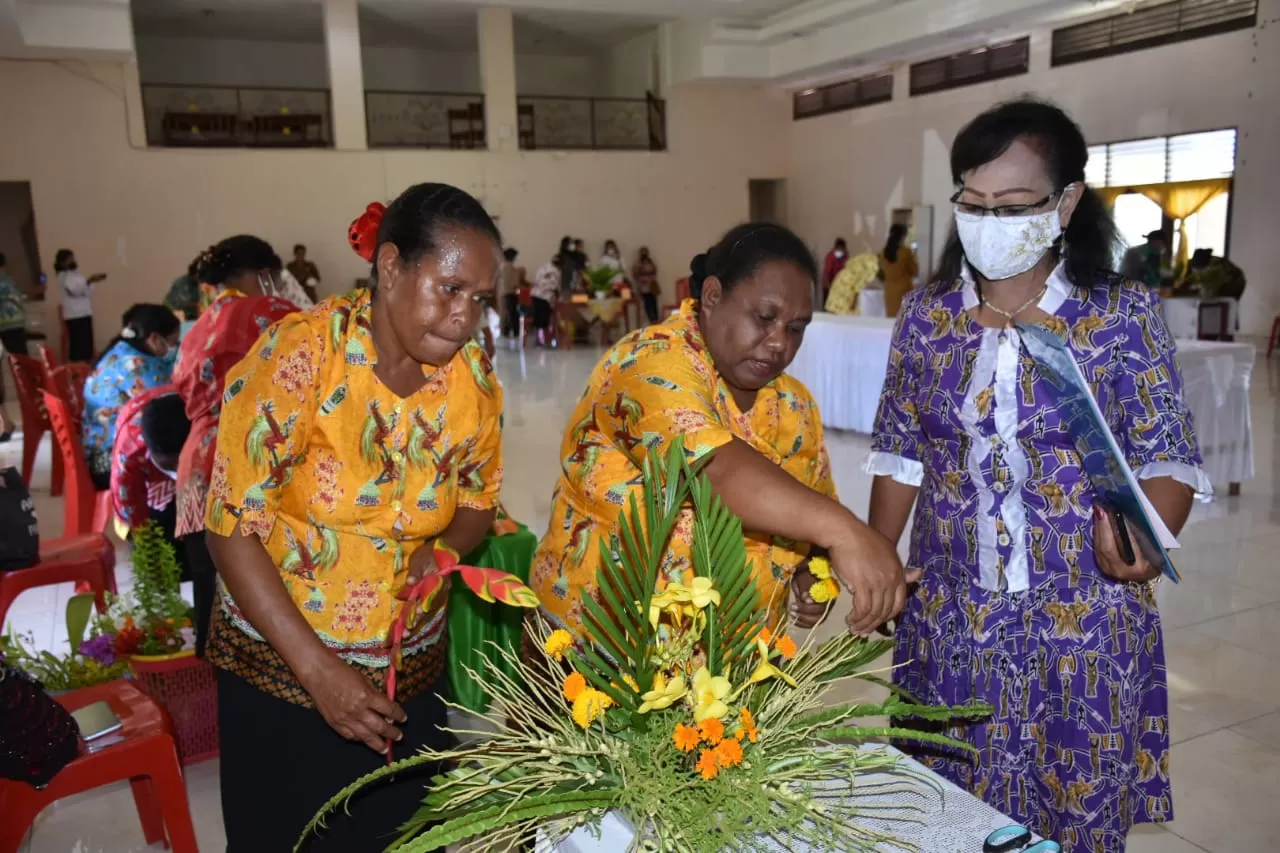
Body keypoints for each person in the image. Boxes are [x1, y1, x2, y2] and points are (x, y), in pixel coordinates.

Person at [866, 99, 1207, 853]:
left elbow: (1168, 452)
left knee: (1074, 814)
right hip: (954, 621)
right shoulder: (927, 317)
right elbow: (900, 450)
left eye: (1014, 206)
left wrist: (1148, 536)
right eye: (974, 204)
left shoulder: (1120, 316)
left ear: (1067, 202)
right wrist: (879, 558)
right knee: (953, 817)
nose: (990, 221)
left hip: (1082, 622)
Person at [203, 183, 505, 851]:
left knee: (396, 837)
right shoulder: (302, 356)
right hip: (283, 675)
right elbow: (230, 527)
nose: (465, 317)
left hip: (408, 678)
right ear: (391, 265)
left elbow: (479, 501)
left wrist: (447, 549)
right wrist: (320, 673)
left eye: (480, 299)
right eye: (450, 289)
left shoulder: (473, 382)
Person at [531, 222, 910, 641]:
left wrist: (811, 570)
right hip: (604, 654)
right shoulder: (649, 363)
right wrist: (845, 530)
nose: (778, 343)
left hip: (733, 667)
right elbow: (714, 469)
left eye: (796, 328)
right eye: (764, 317)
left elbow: (808, 506)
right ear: (712, 297)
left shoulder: (793, 404)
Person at [172, 235, 300, 658]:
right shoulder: (271, 311)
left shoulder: (196, 328)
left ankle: (210, 707)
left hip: (197, 469)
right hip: (251, 462)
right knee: (265, 599)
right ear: (264, 276)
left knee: (209, 591)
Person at [81, 304, 180, 489]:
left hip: (98, 453)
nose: (175, 348)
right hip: (108, 464)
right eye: (173, 342)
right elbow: (167, 406)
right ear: (154, 339)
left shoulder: (122, 351)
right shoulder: (137, 366)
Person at [109, 386, 191, 571]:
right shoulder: (130, 455)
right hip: (149, 485)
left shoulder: (209, 429)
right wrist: (149, 550)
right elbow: (131, 512)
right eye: (170, 466)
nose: (177, 471)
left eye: (182, 463)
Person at [55, 248, 108, 362]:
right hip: (74, 315)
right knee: (79, 348)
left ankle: (86, 368)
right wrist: (88, 281)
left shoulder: (76, 275)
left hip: (84, 312)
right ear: (62, 262)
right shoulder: (63, 276)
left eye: (73, 258)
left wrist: (91, 282)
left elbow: (86, 292)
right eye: (69, 259)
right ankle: (78, 371)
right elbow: (74, 292)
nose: (72, 260)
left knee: (87, 346)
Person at [0, 252, 28, 440]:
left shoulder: (5, 282)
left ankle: (6, 422)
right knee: (23, 370)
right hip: (15, 327)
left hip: (7, 327)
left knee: (21, 370)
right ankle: (11, 421)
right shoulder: (9, 282)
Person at [879, 224, 919, 316]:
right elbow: (915, 271)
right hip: (904, 290)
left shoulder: (883, 252)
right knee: (904, 319)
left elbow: (882, 272)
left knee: (891, 320)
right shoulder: (906, 252)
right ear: (903, 236)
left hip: (889, 291)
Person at [532, 254, 560, 346]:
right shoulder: (556, 271)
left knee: (537, 319)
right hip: (546, 297)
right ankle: (547, 342)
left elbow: (536, 280)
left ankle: (537, 340)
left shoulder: (543, 268)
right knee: (545, 321)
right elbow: (555, 286)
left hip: (535, 295)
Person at [499, 247, 524, 340]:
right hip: (509, 293)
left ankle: (505, 332)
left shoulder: (503, 266)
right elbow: (512, 281)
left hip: (504, 292)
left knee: (507, 313)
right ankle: (515, 332)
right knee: (512, 313)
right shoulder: (508, 266)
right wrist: (517, 286)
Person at [632, 246, 660, 323]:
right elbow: (635, 273)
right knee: (647, 304)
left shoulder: (650, 262)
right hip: (643, 286)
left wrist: (651, 277)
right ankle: (651, 320)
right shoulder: (638, 263)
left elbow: (655, 271)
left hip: (651, 285)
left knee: (654, 303)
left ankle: (656, 320)